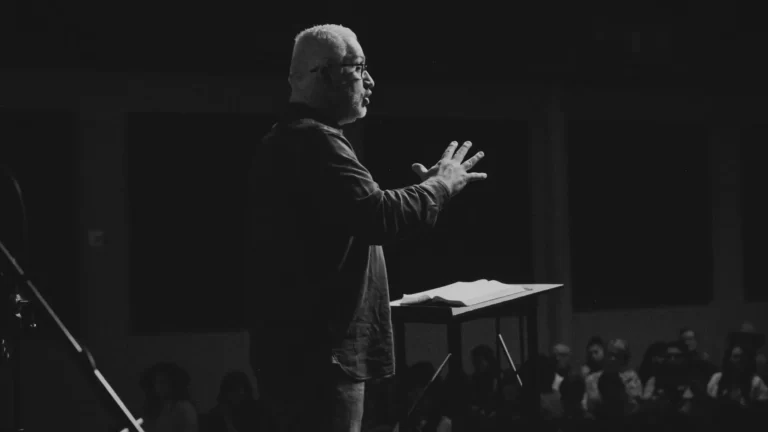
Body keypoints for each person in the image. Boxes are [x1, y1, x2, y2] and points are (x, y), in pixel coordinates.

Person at [245, 24, 488, 432]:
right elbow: (379, 216)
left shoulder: (288, 140)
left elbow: (360, 214)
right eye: (359, 68)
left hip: (301, 354)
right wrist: (441, 186)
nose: (370, 81)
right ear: (324, 74)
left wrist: (426, 189)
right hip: (321, 359)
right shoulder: (315, 142)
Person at [138, 362, 198, 432]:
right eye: (156, 382)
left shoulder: (184, 408)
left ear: (174, 383)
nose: (158, 386)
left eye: (163, 382)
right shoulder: (158, 407)